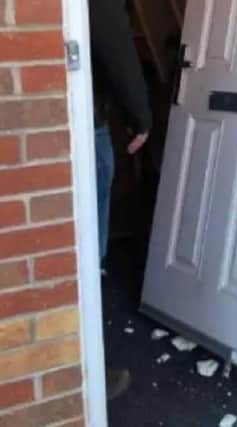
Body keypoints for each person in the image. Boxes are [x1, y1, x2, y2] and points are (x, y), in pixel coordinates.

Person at [89, 0, 153, 400]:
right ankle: (88, 372)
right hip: (83, 125)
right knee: (86, 257)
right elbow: (113, 42)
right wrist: (141, 117)